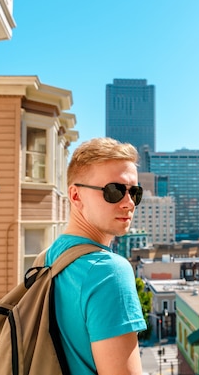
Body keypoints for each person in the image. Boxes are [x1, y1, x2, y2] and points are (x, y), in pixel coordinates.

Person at [45, 137, 147, 375]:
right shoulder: (108, 272)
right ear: (76, 196)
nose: (129, 203)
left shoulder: (49, 258)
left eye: (135, 193)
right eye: (115, 191)